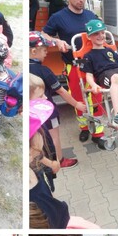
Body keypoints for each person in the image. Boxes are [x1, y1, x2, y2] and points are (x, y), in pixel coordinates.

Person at [41, 0, 101, 145]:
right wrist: (57, 41)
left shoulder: (90, 15)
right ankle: (83, 128)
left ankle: (98, 132)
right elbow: (44, 34)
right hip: (73, 66)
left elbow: (100, 33)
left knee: (96, 98)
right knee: (78, 98)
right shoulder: (58, 17)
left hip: (94, 65)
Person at [29, 98, 99, 229]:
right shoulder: (34, 204)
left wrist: (50, 164)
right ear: (32, 147)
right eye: (39, 131)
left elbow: (37, 155)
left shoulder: (33, 165)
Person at [29, 31, 85, 166]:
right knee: (54, 136)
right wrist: (76, 104)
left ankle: (41, 159)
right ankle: (59, 160)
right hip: (47, 111)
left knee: (37, 135)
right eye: (44, 50)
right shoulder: (44, 71)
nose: (47, 52)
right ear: (34, 51)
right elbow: (61, 91)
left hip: (32, 111)